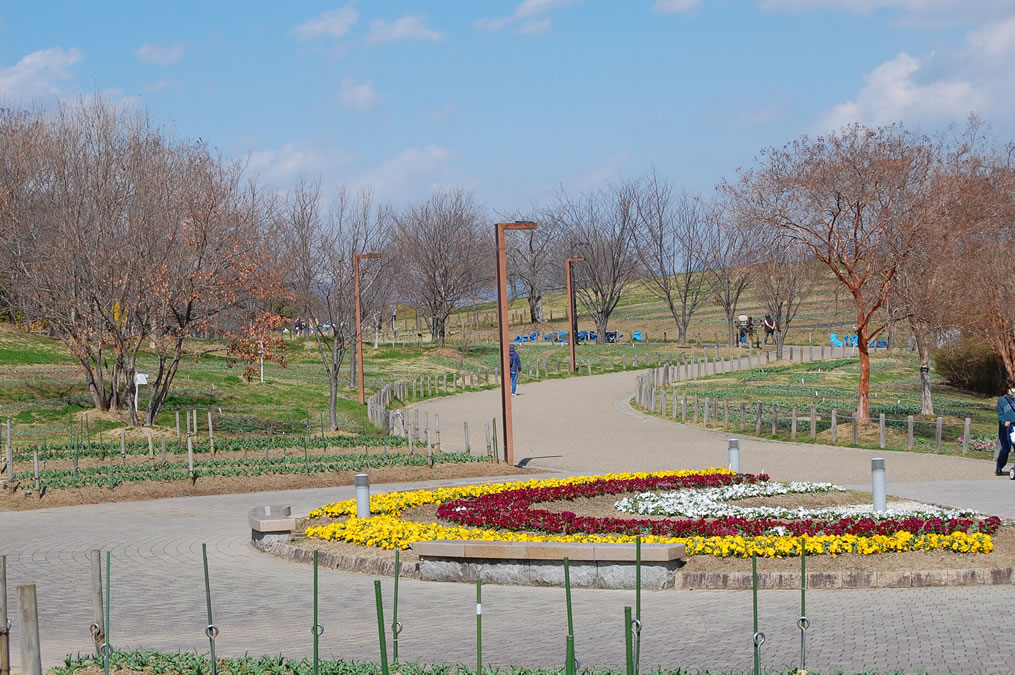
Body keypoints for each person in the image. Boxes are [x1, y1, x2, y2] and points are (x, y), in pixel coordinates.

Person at [996, 379, 1015, 475]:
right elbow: (1000, 414)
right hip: (1006, 427)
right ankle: (999, 466)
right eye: (1010, 388)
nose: (1012, 389)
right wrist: (1004, 422)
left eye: (1013, 387)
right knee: (1006, 448)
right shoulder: (1001, 400)